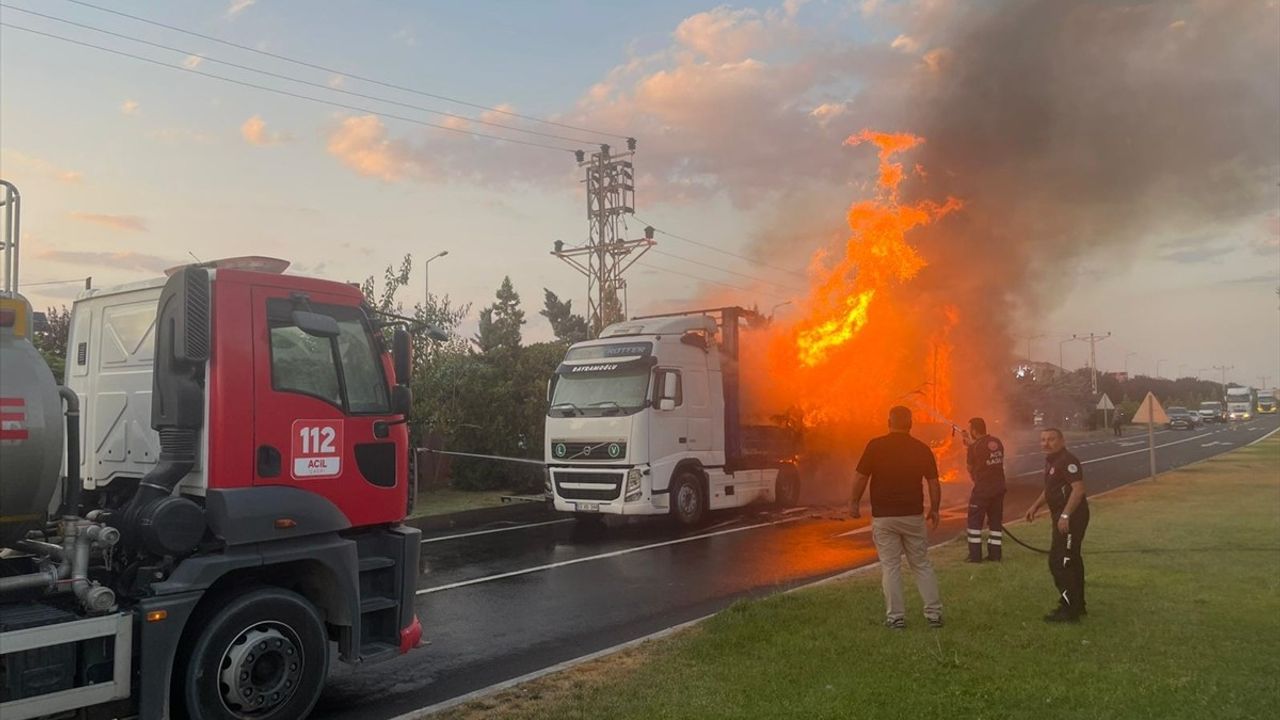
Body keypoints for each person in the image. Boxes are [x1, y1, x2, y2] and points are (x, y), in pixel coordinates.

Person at [850, 406, 943, 630]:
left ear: (888, 422)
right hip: (912, 515)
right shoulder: (921, 449)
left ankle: (896, 618)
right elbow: (933, 482)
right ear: (910, 424)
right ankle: (934, 615)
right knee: (921, 564)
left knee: (890, 566)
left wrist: (854, 503)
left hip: (884, 518)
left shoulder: (875, 446)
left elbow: (861, 477)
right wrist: (935, 508)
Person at [1024, 427, 1090, 622]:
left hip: (1072, 518)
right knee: (1071, 560)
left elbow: (1078, 490)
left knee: (1060, 562)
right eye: (1043, 439)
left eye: (1051, 439)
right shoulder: (1052, 461)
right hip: (1062, 517)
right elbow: (1050, 489)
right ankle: (1077, 605)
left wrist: (1065, 516)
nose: (1046, 443)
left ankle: (1069, 610)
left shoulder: (1067, 460)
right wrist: (1035, 506)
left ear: (1061, 440)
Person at [961, 417, 1005, 563]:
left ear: (973, 430)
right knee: (995, 522)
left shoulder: (974, 447)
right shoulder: (996, 442)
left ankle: (975, 556)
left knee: (974, 523)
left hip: (983, 490)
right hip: (999, 488)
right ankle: (995, 555)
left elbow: (970, 467)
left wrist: (969, 447)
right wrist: (971, 445)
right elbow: (984, 451)